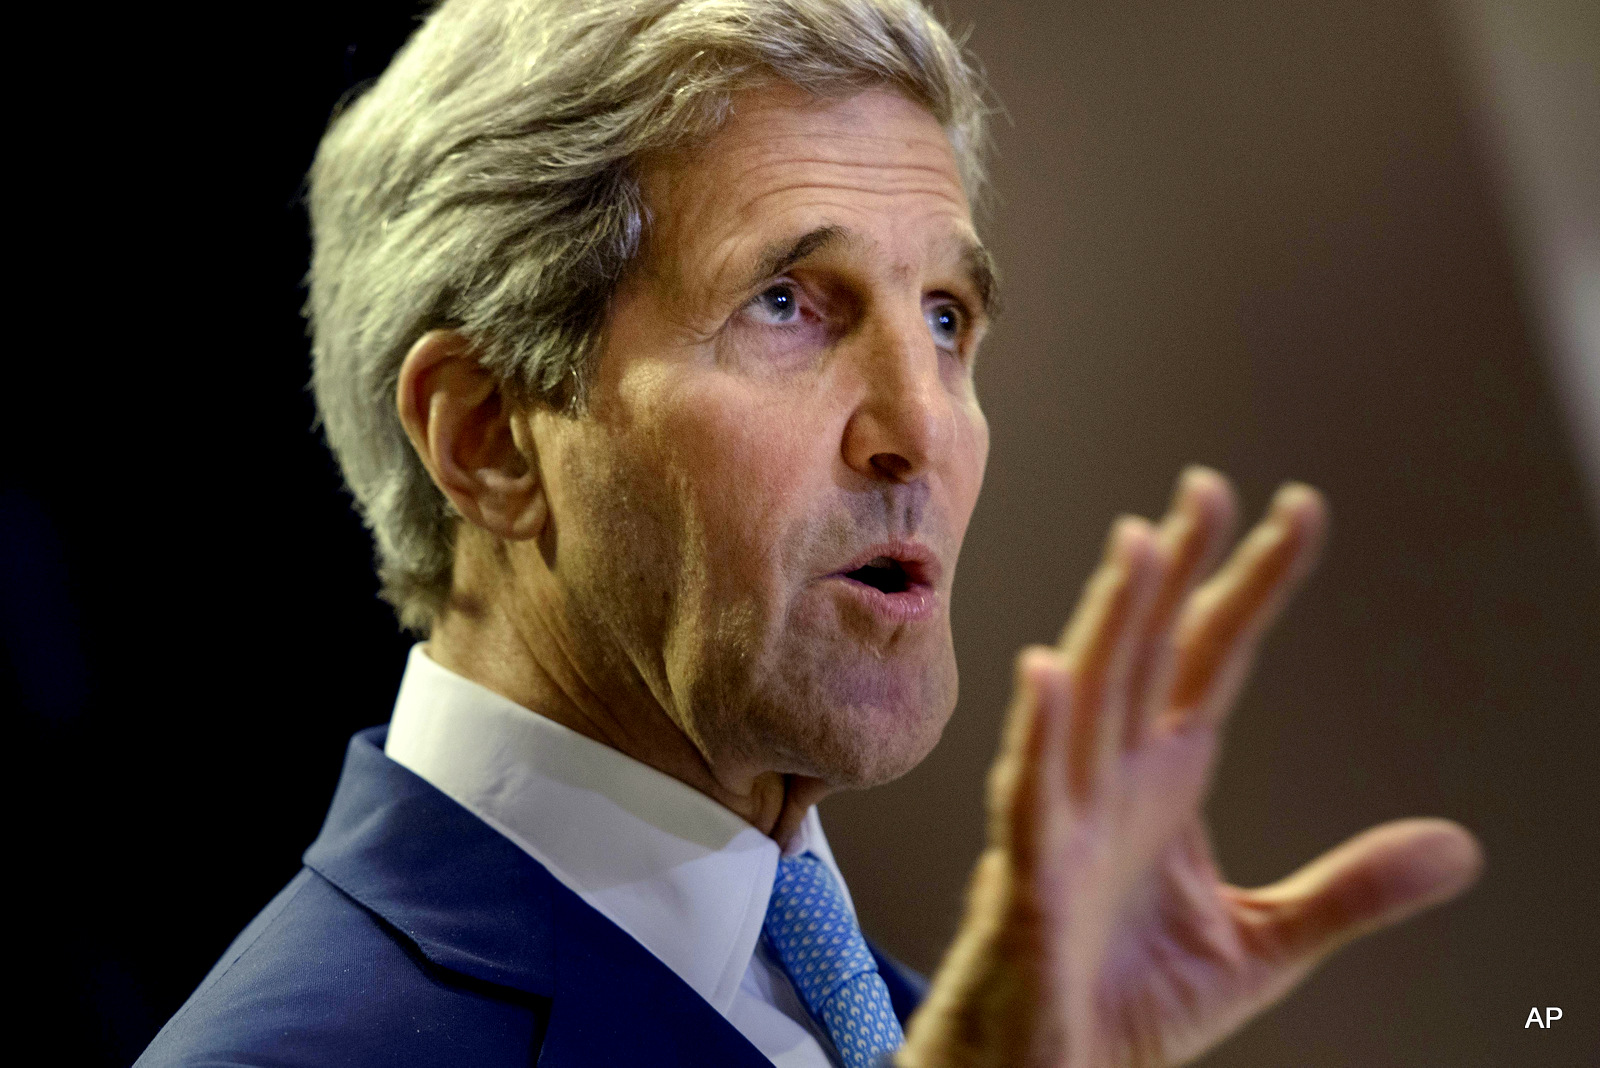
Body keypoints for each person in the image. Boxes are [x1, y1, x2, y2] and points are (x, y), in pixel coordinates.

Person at [137, 1, 1484, 1065]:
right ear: (487, 436)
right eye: (791, 303)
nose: (922, 427)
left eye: (948, 318)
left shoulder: (906, 1015)